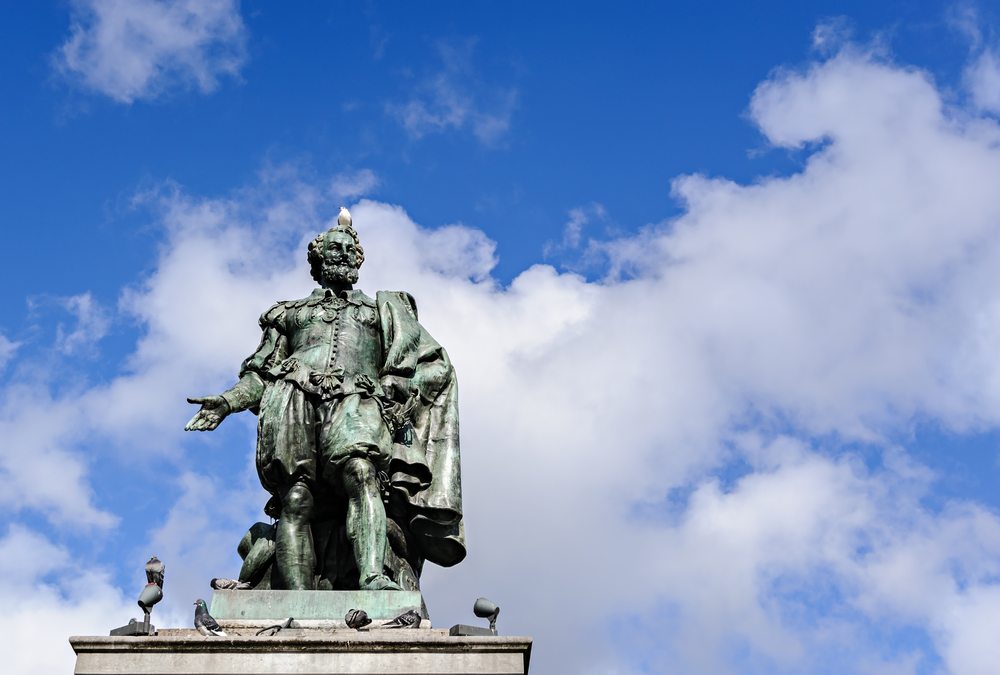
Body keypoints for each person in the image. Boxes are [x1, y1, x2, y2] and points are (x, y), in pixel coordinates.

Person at [185, 222, 464, 591]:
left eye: (351, 250)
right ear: (317, 259)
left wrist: (393, 386)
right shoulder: (288, 314)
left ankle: (373, 577)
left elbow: (433, 365)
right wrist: (226, 402)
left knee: (362, 473)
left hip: (356, 399)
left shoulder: (383, 310)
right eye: (335, 248)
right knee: (297, 498)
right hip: (292, 401)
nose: (345, 254)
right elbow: (261, 375)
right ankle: (296, 599)